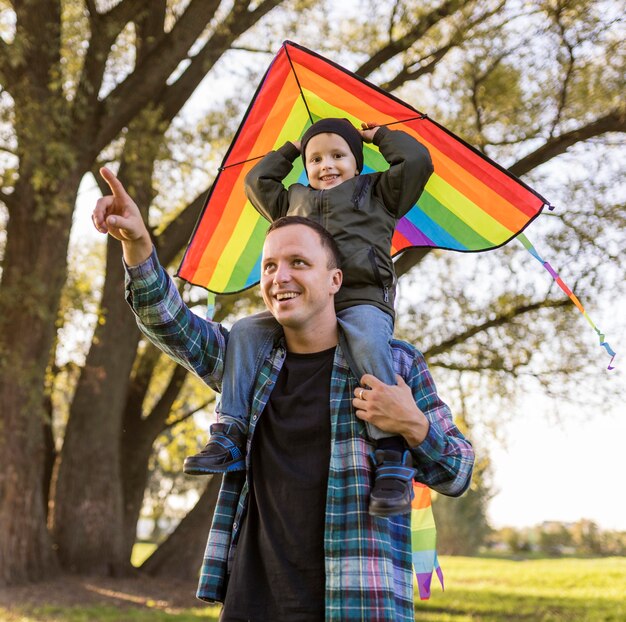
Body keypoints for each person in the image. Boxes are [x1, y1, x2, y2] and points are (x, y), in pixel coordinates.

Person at [93, 173, 474, 620]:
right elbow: (170, 324)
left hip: (356, 604)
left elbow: (457, 472)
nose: (280, 277)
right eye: (270, 266)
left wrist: (412, 423)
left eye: (298, 262)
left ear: (335, 279)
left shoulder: (395, 366)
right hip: (252, 604)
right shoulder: (249, 360)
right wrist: (137, 245)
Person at [184, 117, 435, 517]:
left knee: (368, 342)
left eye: (338, 155)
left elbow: (417, 161)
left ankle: (391, 456)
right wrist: (291, 150)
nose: (326, 165)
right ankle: (230, 431)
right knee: (247, 329)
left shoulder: (378, 192)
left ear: (358, 162)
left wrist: (379, 138)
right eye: (316, 158)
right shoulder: (292, 201)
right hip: (303, 304)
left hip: (361, 299)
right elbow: (256, 183)